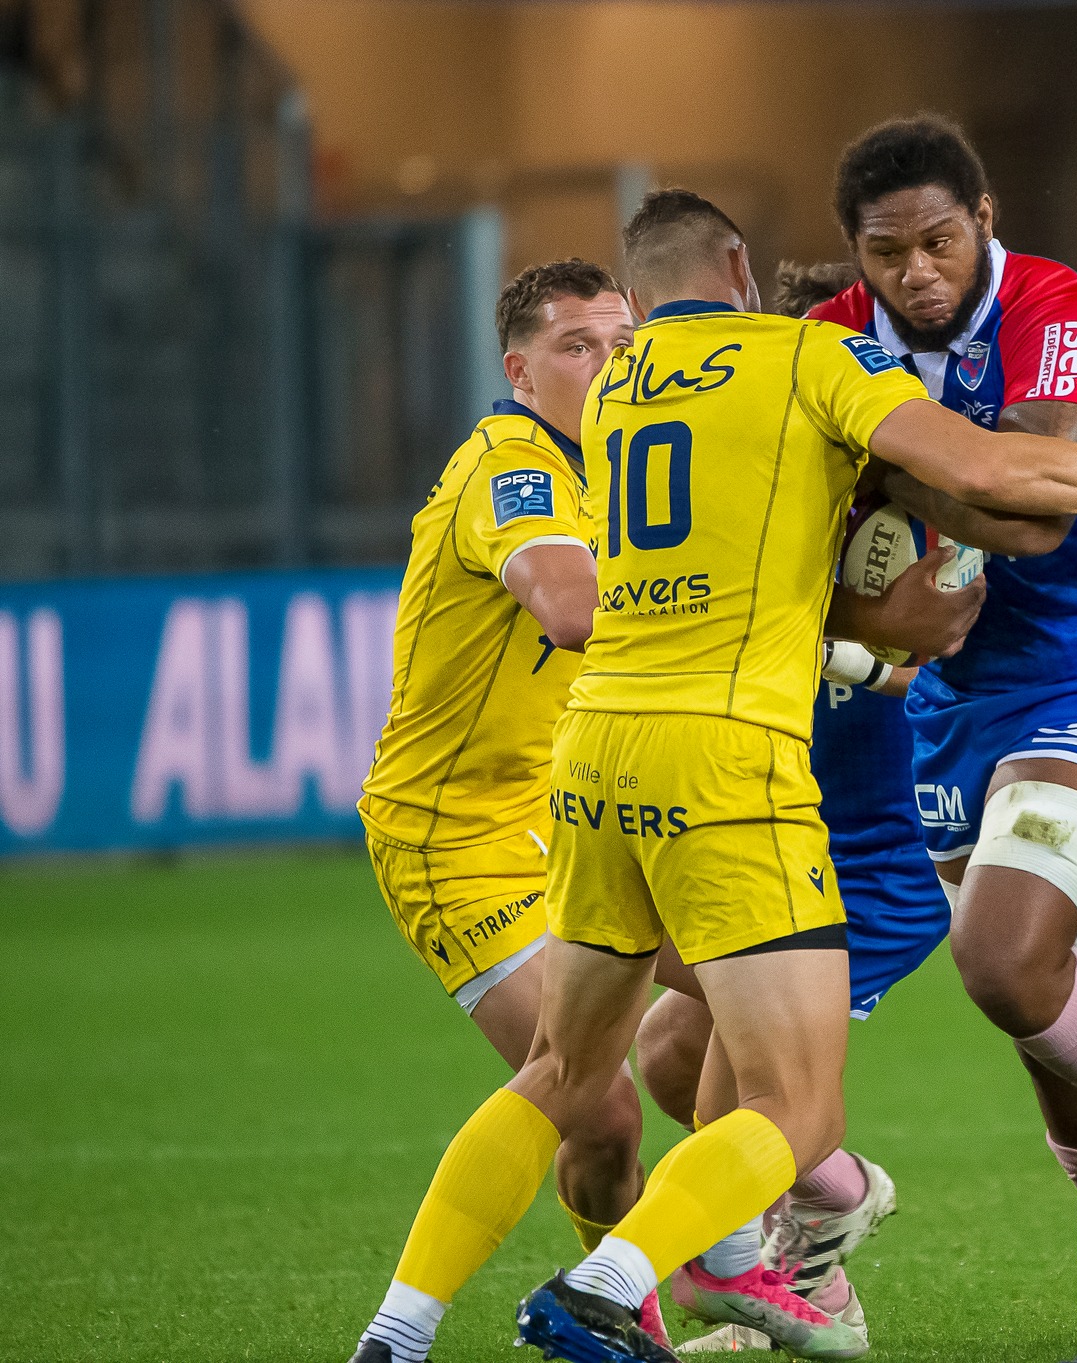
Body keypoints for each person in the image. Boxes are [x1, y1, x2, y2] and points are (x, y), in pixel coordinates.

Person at [345, 188, 1077, 1363]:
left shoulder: (620, 398)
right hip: (726, 766)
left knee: (573, 1071)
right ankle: (612, 1282)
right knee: (793, 1106)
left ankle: (397, 1333)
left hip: (596, 759)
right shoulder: (807, 362)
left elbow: (722, 568)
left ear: (640, 305)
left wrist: (857, 627)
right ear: (737, 268)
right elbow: (984, 463)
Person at [809, 116, 1077, 1363]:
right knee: (1048, 1015)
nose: (917, 274)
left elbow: (1032, 509)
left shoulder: (1059, 312)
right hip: (955, 701)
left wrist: (885, 473)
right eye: (887, 253)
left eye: (939, 242)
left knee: (1002, 956)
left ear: (983, 220)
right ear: (855, 253)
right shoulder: (829, 339)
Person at [635, 258, 1062, 1357]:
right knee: (669, 1054)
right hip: (771, 841)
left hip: (872, 870)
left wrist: (853, 638)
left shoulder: (910, 518)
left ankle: (785, 1279)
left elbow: (933, 647)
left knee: (738, 1101)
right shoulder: (755, 515)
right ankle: (830, 1209)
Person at [351, 259, 667, 1352]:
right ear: (520, 370)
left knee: (752, 977)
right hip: (452, 837)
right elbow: (572, 607)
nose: (608, 366)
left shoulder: (619, 467)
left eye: (623, 344)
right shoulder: (512, 466)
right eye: (578, 346)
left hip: (565, 815)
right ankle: (402, 1334)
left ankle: (702, 1276)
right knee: (598, 1099)